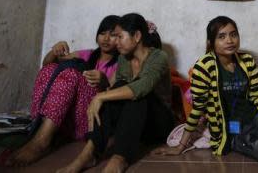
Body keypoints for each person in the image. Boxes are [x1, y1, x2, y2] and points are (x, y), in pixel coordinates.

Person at [154, 16, 258, 167]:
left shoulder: (247, 61)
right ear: (211, 42)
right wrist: (180, 147)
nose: (229, 41)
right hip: (234, 129)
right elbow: (197, 110)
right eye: (222, 36)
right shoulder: (203, 68)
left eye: (233, 34)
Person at [57, 13, 175, 173]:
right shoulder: (124, 59)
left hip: (158, 123)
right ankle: (88, 153)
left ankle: (120, 157)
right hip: (135, 123)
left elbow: (142, 87)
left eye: (119, 36)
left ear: (137, 36)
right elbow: (115, 90)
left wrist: (99, 96)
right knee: (119, 87)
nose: (115, 42)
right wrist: (103, 96)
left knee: (138, 94)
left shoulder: (158, 56)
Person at [7, 15, 121, 166]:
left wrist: (104, 82)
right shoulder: (87, 55)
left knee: (71, 74)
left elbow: (116, 98)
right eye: (102, 33)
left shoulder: (120, 64)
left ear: (120, 38)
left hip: (89, 121)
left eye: (112, 35)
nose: (106, 38)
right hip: (64, 119)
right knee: (51, 69)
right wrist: (55, 51)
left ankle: (41, 142)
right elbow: (47, 65)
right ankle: (42, 128)